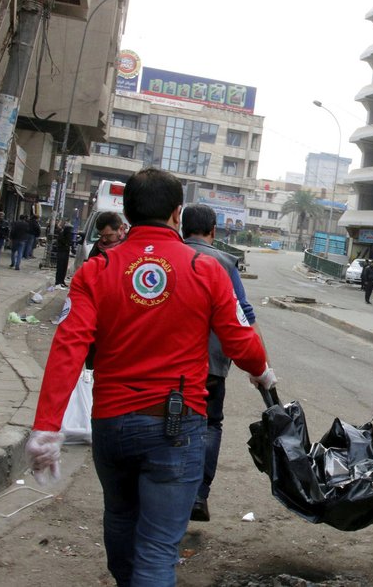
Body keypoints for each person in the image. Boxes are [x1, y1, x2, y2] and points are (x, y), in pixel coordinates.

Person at [26, 168, 272, 587]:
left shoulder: (97, 269)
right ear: (177, 214)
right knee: (157, 552)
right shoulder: (204, 268)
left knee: (121, 526)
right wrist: (262, 372)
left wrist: (47, 428)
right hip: (177, 426)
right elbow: (240, 338)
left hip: (112, 425)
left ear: (127, 212)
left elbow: (68, 347)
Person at [181, 204, 267, 522]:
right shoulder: (224, 263)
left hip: (169, 363)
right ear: (214, 232)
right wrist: (261, 367)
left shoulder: (169, 256)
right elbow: (244, 313)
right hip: (212, 365)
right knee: (209, 424)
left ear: (181, 226)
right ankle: (199, 496)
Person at [54, 224, 73, 289]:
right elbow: (65, 242)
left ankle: (62, 281)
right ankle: (58, 282)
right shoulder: (62, 235)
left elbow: (70, 242)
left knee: (64, 268)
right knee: (60, 268)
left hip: (66, 252)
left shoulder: (68, 235)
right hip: (61, 252)